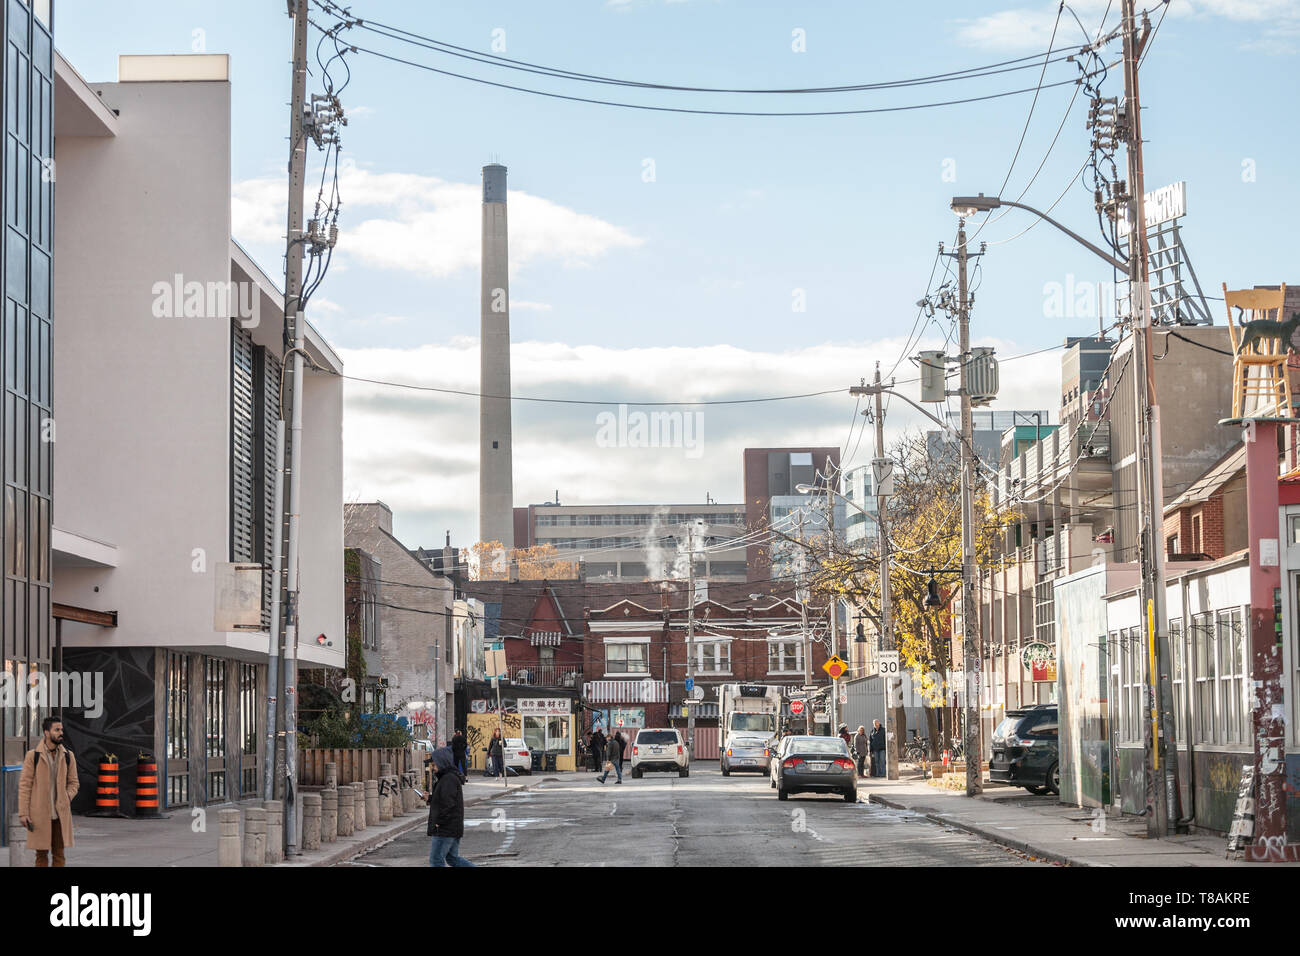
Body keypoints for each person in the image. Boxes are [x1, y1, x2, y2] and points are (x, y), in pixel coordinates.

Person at [18, 716, 79, 868]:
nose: (61, 733)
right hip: (39, 814)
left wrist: (67, 796)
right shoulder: (33, 756)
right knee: (41, 855)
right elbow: (25, 786)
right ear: (46, 732)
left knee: (59, 854)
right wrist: (23, 813)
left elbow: (74, 783)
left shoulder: (67, 756)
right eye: (56, 730)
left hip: (60, 815)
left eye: (61, 730)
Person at [427, 747, 474, 867]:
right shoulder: (448, 778)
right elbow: (444, 800)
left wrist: (439, 822)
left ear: (442, 762)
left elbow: (447, 804)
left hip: (445, 828)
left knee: (436, 860)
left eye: (434, 764)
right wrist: (429, 799)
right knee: (453, 859)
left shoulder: (448, 779)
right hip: (452, 827)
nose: (432, 768)